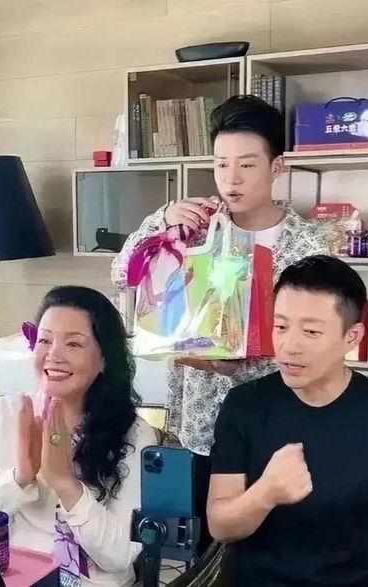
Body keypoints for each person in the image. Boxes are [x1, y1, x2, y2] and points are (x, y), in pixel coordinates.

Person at [111, 96, 329, 545]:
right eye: (221, 164)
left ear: (277, 167)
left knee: (270, 544)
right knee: (203, 545)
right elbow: (122, 274)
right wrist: (161, 222)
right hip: (200, 425)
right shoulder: (194, 225)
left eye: (247, 165)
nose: (231, 179)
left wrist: (237, 365)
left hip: (275, 424)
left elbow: (318, 341)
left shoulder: (307, 247)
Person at [208, 255, 368, 587]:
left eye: (311, 331)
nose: (289, 346)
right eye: (281, 326)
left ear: (352, 336)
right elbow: (220, 526)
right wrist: (265, 494)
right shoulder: (244, 406)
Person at [0, 286, 157, 587]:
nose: (53, 355)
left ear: (104, 358)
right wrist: (19, 479)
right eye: (45, 340)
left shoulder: (135, 433)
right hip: (16, 579)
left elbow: (120, 556)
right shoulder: (6, 414)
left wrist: (66, 484)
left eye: (74, 344)